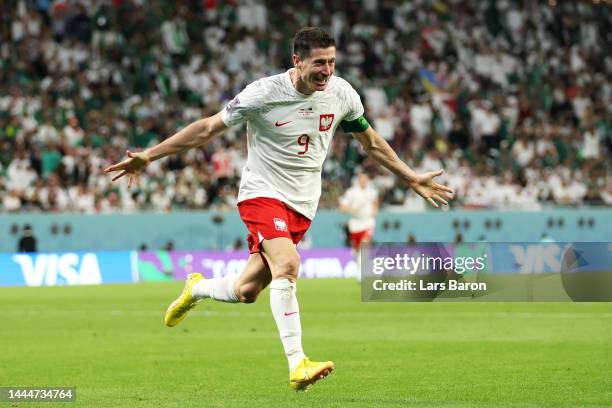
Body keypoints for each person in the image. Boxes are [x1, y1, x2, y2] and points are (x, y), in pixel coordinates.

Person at [104, 27, 454, 391]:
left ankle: (196, 289)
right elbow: (207, 129)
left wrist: (411, 177)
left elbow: (372, 143)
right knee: (288, 264)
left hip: (302, 205)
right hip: (261, 194)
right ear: (297, 61)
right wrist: (149, 155)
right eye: (319, 63)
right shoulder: (264, 93)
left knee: (247, 291)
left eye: (332, 62)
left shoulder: (342, 93)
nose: (327, 70)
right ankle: (297, 363)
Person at [339, 172, 379, 280]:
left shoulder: (372, 192)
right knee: (356, 250)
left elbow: (375, 203)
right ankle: (358, 268)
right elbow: (342, 208)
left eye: (365, 179)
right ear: (358, 180)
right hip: (355, 224)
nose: (363, 181)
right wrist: (352, 210)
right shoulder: (351, 192)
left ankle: (361, 272)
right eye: (361, 179)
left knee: (364, 245)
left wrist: (374, 211)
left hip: (368, 222)